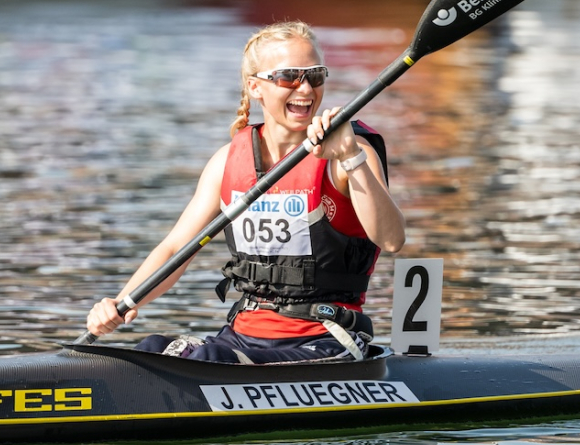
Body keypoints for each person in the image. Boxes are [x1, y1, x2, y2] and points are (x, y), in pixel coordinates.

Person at [87, 20, 405, 364]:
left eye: (315, 76)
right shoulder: (226, 162)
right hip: (243, 333)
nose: (306, 89)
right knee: (152, 349)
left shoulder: (348, 154)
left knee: (209, 358)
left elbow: (391, 240)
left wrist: (350, 157)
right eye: (289, 77)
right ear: (256, 87)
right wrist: (121, 304)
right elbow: (176, 247)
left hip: (326, 336)